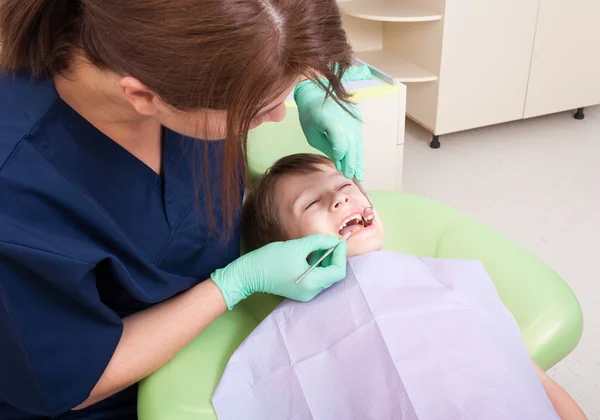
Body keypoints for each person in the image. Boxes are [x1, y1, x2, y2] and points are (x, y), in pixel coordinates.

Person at [0, 1, 365, 418]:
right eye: (262, 110)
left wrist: (302, 78)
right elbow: (69, 378)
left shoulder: (173, 60)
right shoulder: (17, 190)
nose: (280, 115)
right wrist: (232, 285)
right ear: (142, 95)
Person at [240, 153, 587, 420]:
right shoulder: (292, 339)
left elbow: (532, 378)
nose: (340, 198)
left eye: (345, 185)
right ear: (281, 251)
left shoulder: (444, 283)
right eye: (312, 203)